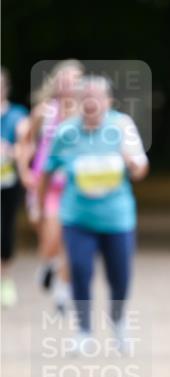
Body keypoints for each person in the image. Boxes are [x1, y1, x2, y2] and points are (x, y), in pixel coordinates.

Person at [39, 76, 149, 352]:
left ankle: (118, 321)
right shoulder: (65, 132)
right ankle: (84, 331)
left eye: (96, 97)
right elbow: (47, 170)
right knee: (79, 270)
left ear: (108, 101)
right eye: (85, 97)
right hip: (77, 218)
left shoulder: (122, 126)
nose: (90, 103)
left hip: (117, 219)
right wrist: (41, 208)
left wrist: (130, 161)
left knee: (120, 276)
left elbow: (140, 170)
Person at [16, 59, 83, 312]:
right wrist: (24, 170)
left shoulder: (85, 113)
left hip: (73, 183)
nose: (71, 85)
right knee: (50, 237)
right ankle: (47, 265)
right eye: (67, 80)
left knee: (70, 238)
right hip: (45, 183)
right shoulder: (44, 111)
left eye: (76, 80)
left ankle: (62, 293)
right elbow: (27, 143)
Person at [0, 68, 30, 308]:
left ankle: (5, 278)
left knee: (4, 230)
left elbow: (26, 146)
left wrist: (9, 151)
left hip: (7, 182)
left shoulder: (18, 115)